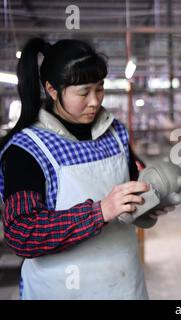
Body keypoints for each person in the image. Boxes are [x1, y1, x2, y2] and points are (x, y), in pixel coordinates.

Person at [0, 38, 170, 299]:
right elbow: (23, 234)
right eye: (83, 92)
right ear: (52, 90)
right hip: (60, 290)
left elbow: (134, 194)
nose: (94, 101)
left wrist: (153, 201)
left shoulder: (114, 133)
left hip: (124, 286)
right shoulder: (26, 150)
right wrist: (100, 211)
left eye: (100, 88)